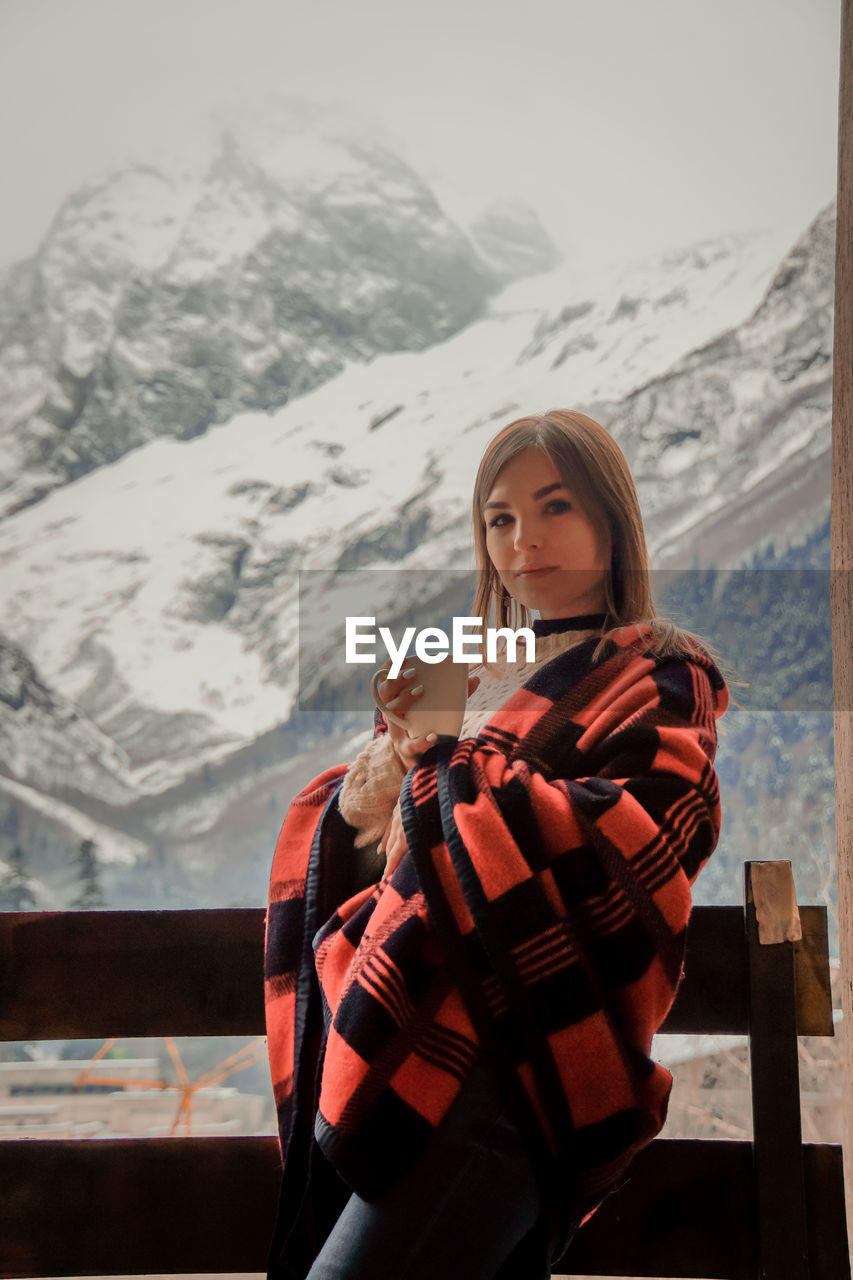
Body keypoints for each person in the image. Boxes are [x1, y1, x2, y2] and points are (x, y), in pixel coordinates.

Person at [264, 409, 729, 1280]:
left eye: (556, 508)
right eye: (500, 518)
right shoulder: (460, 667)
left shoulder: (663, 675)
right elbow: (379, 861)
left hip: (518, 1068)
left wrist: (447, 769)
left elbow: (648, 842)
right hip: (397, 1053)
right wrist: (392, 767)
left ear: (611, 520)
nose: (525, 540)